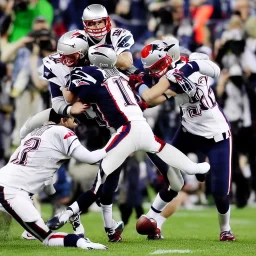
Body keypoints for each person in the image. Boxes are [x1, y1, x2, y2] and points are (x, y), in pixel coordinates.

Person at [46, 44, 210, 238]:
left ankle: (71, 214)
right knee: (157, 153)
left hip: (125, 130)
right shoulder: (125, 76)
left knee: (102, 178)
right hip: (138, 127)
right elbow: (143, 94)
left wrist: (68, 93)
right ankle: (195, 168)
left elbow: (69, 97)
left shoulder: (87, 73)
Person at [131, 39, 236, 241]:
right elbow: (150, 94)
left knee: (221, 193)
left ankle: (225, 228)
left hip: (217, 137)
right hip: (188, 132)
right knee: (171, 178)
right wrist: (139, 78)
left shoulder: (188, 72)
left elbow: (151, 99)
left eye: (157, 67)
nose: (155, 72)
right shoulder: (173, 73)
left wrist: (192, 66)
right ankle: (154, 221)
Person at [0, 109, 108, 250]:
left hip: (7, 183)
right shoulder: (62, 132)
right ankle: (81, 243)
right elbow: (90, 158)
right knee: (47, 238)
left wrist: (53, 194)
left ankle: (30, 231)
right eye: (73, 120)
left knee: (7, 232)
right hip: (12, 191)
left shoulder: (35, 132)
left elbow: (46, 175)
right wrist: (118, 146)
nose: (76, 124)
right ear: (63, 120)